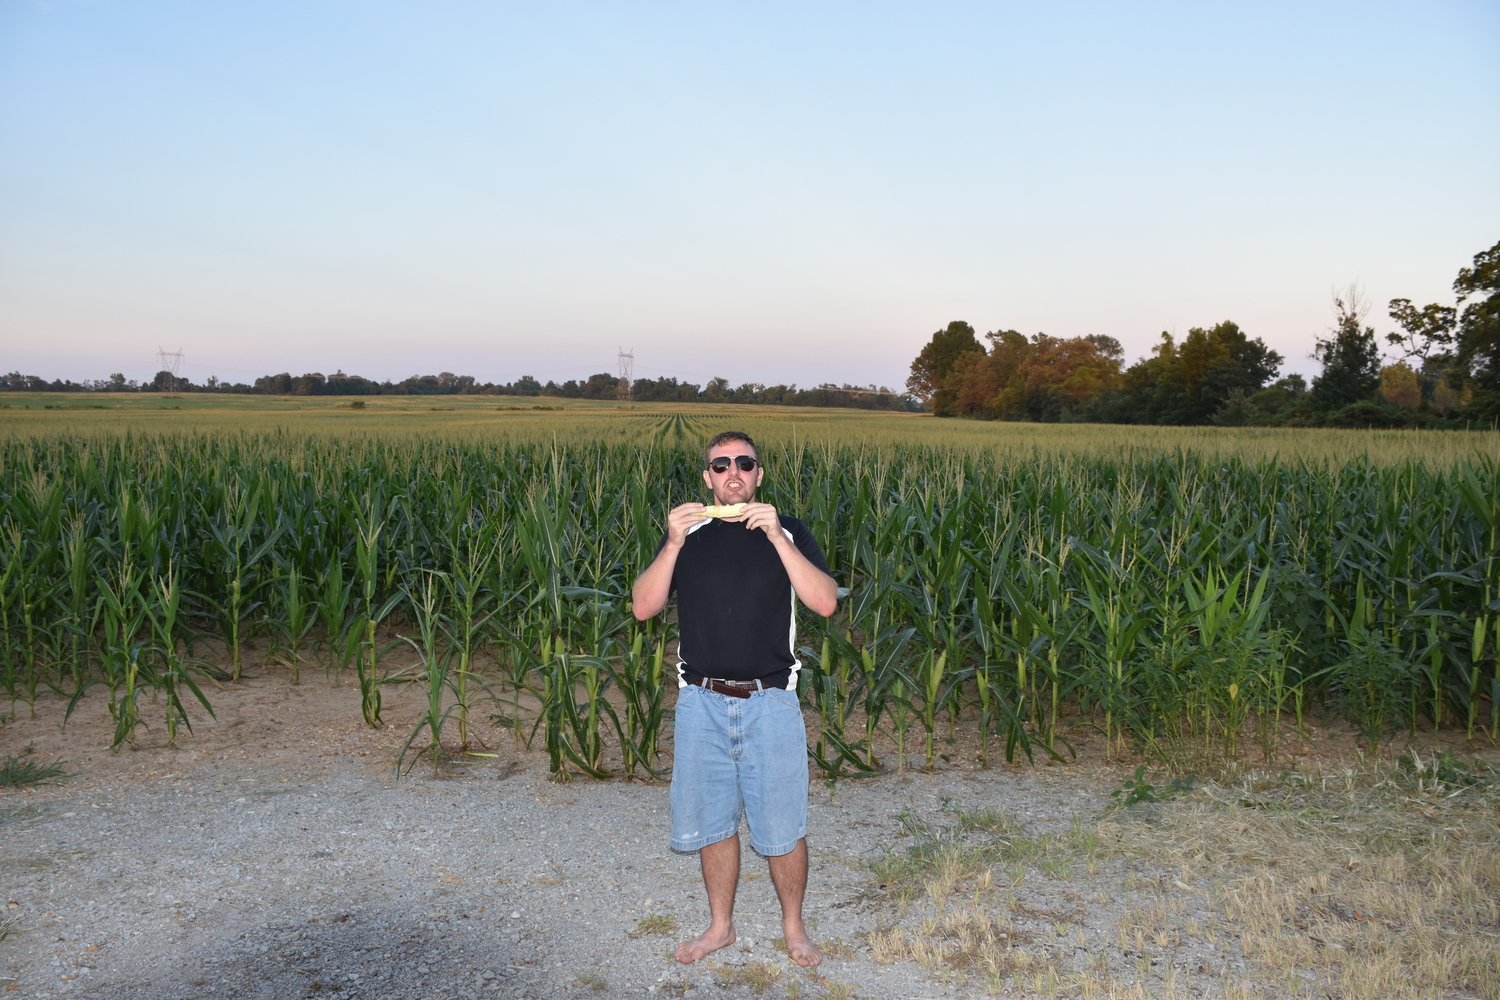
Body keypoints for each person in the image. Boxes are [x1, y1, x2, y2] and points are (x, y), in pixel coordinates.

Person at [632, 430, 837, 968]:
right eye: (720, 465)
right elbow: (643, 608)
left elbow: (824, 602)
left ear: (759, 474)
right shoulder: (689, 534)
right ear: (707, 477)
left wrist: (778, 540)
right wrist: (672, 542)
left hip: (770, 702)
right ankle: (720, 927)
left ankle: (794, 928)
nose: (732, 473)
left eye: (744, 463)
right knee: (712, 823)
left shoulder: (788, 530)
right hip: (700, 702)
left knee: (782, 826)